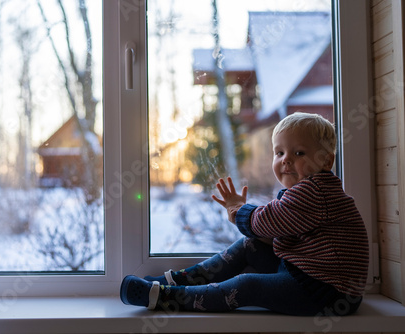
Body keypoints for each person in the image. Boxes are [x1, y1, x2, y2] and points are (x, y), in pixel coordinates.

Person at [120, 112, 369, 316]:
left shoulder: (316, 191)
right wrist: (247, 217)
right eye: (279, 153)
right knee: (251, 245)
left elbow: (267, 222)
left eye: (299, 153)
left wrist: (239, 212)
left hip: (326, 292)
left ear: (326, 161)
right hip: (309, 276)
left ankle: (165, 297)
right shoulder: (312, 190)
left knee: (247, 285)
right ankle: (177, 280)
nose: (286, 161)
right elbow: (276, 227)